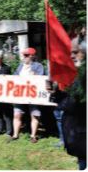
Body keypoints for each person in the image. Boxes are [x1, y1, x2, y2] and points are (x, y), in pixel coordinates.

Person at [48, 41, 86, 170]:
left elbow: (75, 104)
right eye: (71, 53)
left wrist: (58, 100)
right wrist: (55, 92)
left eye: (75, 52)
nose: (72, 56)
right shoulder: (80, 74)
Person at [9, 47, 44, 143]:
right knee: (17, 114)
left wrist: (33, 76)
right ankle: (15, 135)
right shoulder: (20, 66)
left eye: (26, 55)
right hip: (20, 94)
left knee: (34, 115)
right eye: (24, 55)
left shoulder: (38, 66)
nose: (24, 57)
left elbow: (40, 78)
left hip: (33, 94)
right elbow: (15, 77)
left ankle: (33, 136)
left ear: (32, 56)